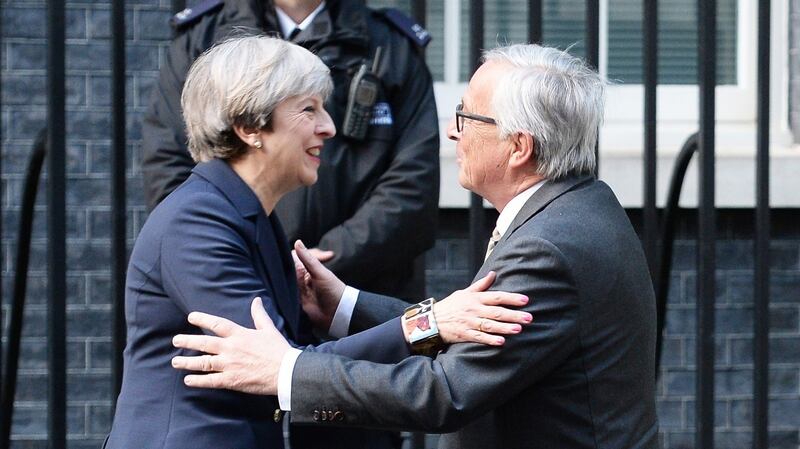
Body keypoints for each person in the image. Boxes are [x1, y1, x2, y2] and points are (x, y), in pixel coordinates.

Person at [171, 43, 660, 449]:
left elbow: (444, 392)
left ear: (519, 146)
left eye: (467, 116)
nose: (453, 131)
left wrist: (287, 371)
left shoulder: (549, 247)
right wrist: (346, 306)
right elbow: (470, 335)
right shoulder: (579, 209)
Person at [105, 36, 530, 449]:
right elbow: (272, 366)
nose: (328, 127)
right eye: (308, 110)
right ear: (250, 125)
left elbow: (291, 363)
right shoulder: (198, 223)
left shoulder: (247, 215)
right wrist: (428, 324)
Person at [142, 0, 439, 303]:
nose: (327, 128)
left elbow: (413, 182)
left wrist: (313, 264)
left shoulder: (391, 45)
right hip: (240, 277)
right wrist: (261, 260)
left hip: (363, 293)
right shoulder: (201, 40)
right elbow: (171, 167)